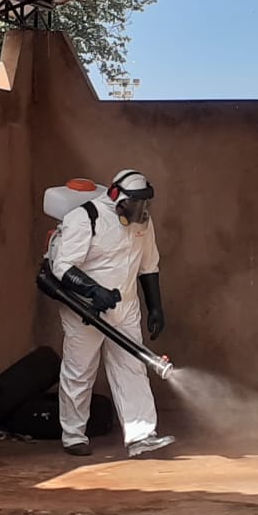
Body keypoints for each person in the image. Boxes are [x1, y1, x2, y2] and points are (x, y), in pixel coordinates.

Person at [49, 168, 173, 458]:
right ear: (116, 196)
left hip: (125, 307)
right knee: (80, 370)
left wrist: (155, 307)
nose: (141, 210)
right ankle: (73, 435)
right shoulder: (85, 218)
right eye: (135, 203)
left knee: (132, 367)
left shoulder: (143, 224)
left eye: (145, 203)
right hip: (84, 309)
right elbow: (62, 266)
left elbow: (148, 266)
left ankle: (141, 435)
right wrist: (93, 290)